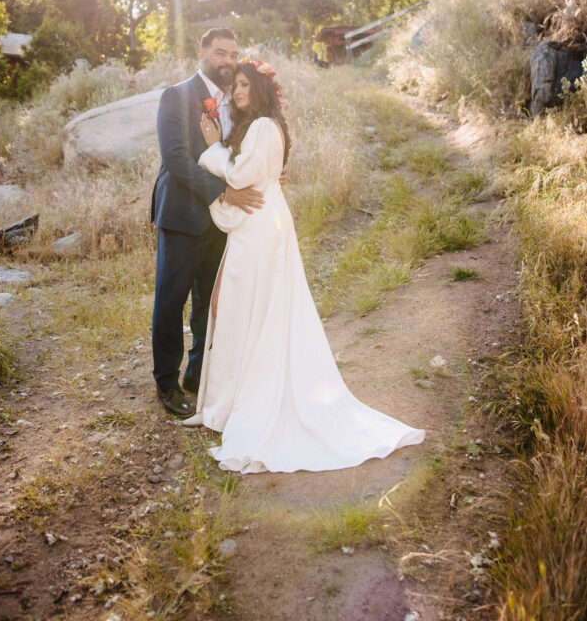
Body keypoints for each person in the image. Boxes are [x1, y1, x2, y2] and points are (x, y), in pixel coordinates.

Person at [183, 59, 425, 473]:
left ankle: (237, 405)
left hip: (259, 228)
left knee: (241, 309)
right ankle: (228, 402)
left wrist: (213, 148)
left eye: (244, 85)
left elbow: (240, 176)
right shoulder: (267, 127)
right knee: (246, 308)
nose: (237, 91)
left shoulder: (261, 128)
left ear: (260, 90)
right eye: (234, 86)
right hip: (266, 221)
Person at [150, 28, 265, 417]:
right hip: (182, 216)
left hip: (221, 222)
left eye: (233, 54)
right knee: (171, 300)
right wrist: (224, 193)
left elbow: (243, 153)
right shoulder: (176, 96)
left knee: (209, 303)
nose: (228, 61)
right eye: (220, 53)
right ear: (202, 54)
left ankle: (198, 374)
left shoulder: (236, 101)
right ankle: (166, 382)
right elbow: (176, 159)